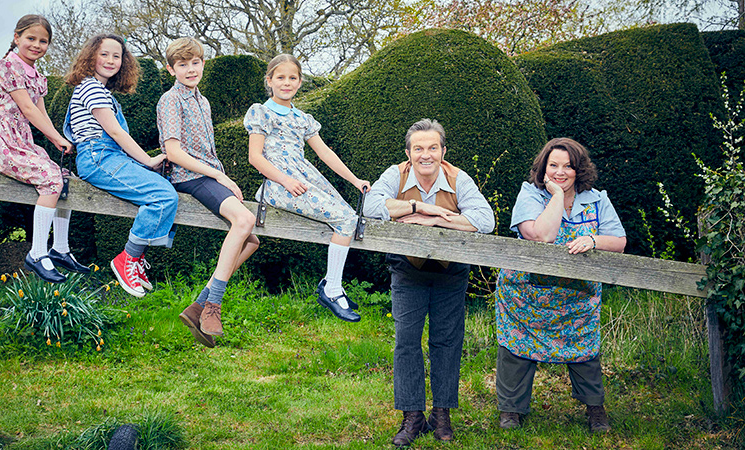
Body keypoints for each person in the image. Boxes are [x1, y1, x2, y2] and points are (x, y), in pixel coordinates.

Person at [363, 118, 494, 446]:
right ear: (408, 153)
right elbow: (369, 205)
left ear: (443, 151)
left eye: (432, 148)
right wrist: (418, 207)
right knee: (406, 341)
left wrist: (430, 220)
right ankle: (411, 416)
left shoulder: (457, 178)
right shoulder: (396, 174)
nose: (426, 154)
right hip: (407, 271)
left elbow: (485, 220)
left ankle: (442, 415)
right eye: (418, 148)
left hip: (451, 273)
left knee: (446, 342)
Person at [495, 137, 626, 433]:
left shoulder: (597, 199)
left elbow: (619, 241)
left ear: (579, 170)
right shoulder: (530, 194)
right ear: (543, 168)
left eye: (568, 166)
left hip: (577, 298)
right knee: (516, 350)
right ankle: (511, 411)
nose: (560, 172)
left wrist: (594, 240)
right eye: (553, 165)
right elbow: (541, 235)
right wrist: (555, 196)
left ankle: (595, 410)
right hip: (525, 297)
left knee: (585, 352)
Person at [245, 54, 370, 322]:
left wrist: (355, 180)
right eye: (280, 77)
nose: (286, 83)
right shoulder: (261, 111)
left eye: (292, 78)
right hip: (279, 184)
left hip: (302, 178)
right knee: (347, 219)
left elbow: (325, 153)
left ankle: (331, 283)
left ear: (300, 82)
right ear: (269, 81)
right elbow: (255, 157)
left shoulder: (302, 117)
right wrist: (285, 180)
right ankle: (333, 290)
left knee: (347, 215)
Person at [157, 37, 260, 347]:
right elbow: (173, 152)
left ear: (203, 63)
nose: (190, 69)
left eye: (195, 62)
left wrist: (220, 177)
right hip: (189, 177)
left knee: (251, 241)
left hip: (209, 177)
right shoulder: (170, 100)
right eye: (183, 64)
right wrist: (219, 176)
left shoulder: (203, 101)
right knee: (243, 222)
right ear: (170, 68)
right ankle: (214, 306)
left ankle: (198, 305)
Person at [0, 14, 88, 283]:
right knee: (50, 180)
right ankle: (37, 253)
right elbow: (26, 108)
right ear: (17, 38)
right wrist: (56, 139)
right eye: (31, 38)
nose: (36, 45)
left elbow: (40, 112)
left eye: (43, 41)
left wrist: (57, 138)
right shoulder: (7, 66)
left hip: (20, 140)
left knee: (63, 177)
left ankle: (60, 249)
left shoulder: (36, 75)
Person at [62, 34, 177, 298]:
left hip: (109, 156)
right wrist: (147, 161)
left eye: (117, 56)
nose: (111, 60)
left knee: (168, 186)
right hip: (98, 157)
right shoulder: (91, 88)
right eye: (104, 54)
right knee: (162, 196)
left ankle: (135, 259)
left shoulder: (101, 91)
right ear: (91, 56)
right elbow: (114, 132)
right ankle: (128, 258)